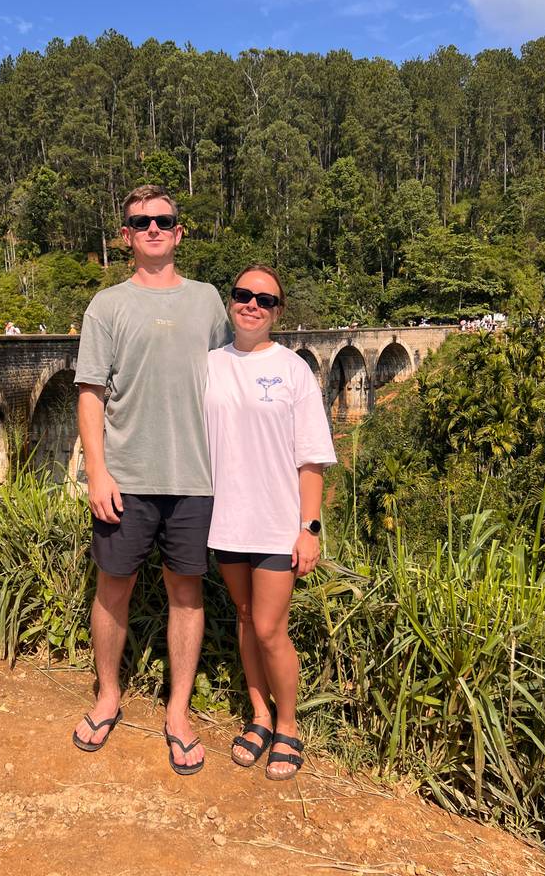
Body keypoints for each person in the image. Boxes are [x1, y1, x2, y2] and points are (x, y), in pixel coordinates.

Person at [72, 184, 230, 774]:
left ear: (179, 231)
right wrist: (97, 471)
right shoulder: (106, 306)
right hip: (128, 479)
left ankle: (178, 712)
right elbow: (90, 394)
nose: (154, 229)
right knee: (113, 589)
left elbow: (231, 380)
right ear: (126, 236)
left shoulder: (210, 300)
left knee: (185, 593)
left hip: (196, 478)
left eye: (164, 220)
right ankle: (108, 694)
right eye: (142, 223)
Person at [205, 265, 336, 780]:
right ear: (231, 302)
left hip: (277, 522)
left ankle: (288, 725)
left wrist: (311, 527)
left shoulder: (293, 370)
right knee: (243, 616)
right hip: (225, 519)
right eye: (243, 295)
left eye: (265, 299)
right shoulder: (210, 364)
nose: (252, 304)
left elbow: (312, 459)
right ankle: (258, 716)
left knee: (269, 628)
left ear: (278, 311)